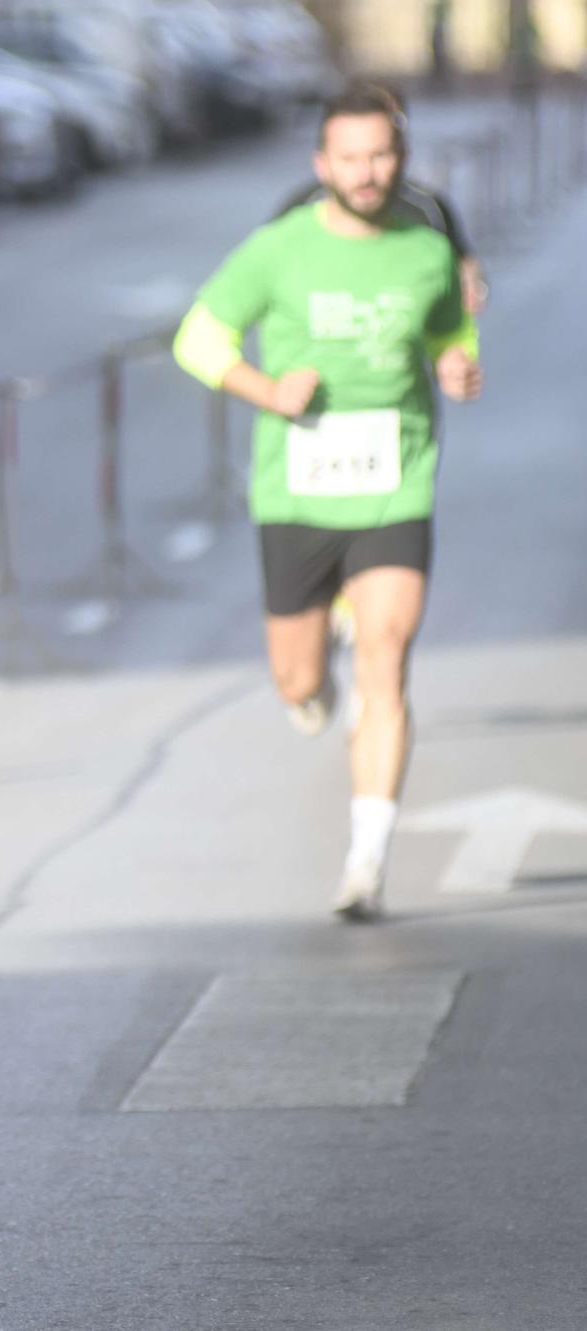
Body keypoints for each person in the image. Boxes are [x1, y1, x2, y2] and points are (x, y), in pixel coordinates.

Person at [173, 84, 483, 922]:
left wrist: (458, 363)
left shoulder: (425, 246)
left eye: (381, 155)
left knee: (387, 655)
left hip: (396, 478)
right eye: (349, 158)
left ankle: (366, 862)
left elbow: (450, 325)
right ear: (323, 165)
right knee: (299, 678)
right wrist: (268, 391)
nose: (367, 171)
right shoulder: (279, 248)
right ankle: (313, 680)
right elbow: (196, 338)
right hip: (298, 489)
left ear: (400, 159)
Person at [272, 84, 489, 316]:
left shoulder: (427, 208)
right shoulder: (301, 208)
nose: (365, 173)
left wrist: (471, 287)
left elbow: (465, 273)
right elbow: (259, 283)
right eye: (349, 157)